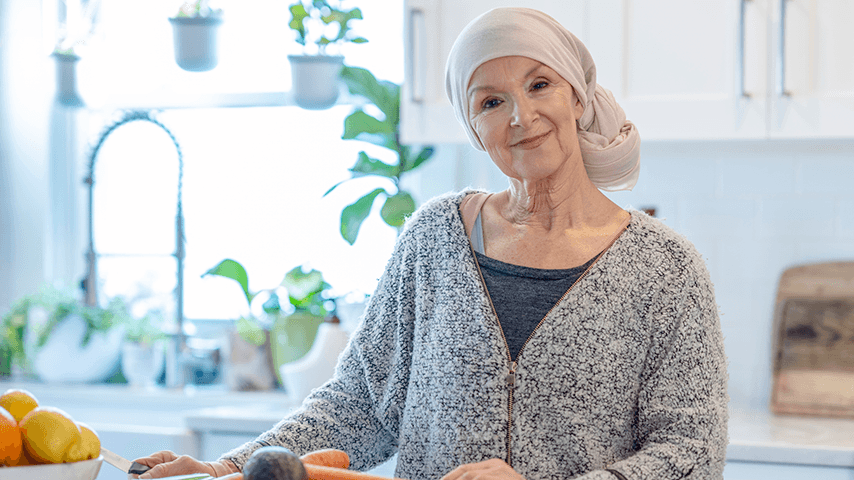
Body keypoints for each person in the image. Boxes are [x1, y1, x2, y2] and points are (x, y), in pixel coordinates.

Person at [135, 7, 728, 480]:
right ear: (474, 129)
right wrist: (227, 466)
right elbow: (362, 402)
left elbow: (691, 454)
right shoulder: (434, 240)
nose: (521, 116)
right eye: (491, 101)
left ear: (576, 96)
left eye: (539, 84)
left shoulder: (664, 267)